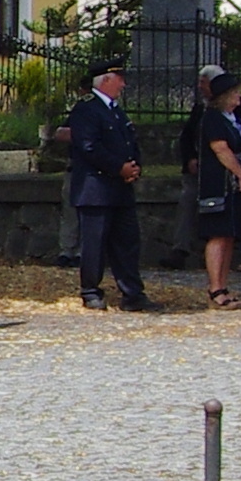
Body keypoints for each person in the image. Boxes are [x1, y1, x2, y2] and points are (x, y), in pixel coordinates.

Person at [63, 59, 146, 312]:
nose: (123, 83)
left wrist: (133, 167)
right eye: (119, 78)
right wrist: (117, 167)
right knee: (94, 244)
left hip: (119, 188)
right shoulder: (86, 109)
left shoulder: (116, 111)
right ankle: (90, 291)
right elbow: (89, 147)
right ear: (106, 80)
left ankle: (133, 293)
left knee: (127, 242)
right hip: (95, 188)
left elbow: (130, 142)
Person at [181, 67, 241, 309]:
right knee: (217, 233)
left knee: (229, 234)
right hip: (219, 184)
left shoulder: (236, 119)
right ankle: (215, 287)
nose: (239, 98)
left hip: (237, 185)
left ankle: (223, 285)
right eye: (235, 94)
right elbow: (221, 149)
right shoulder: (213, 119)